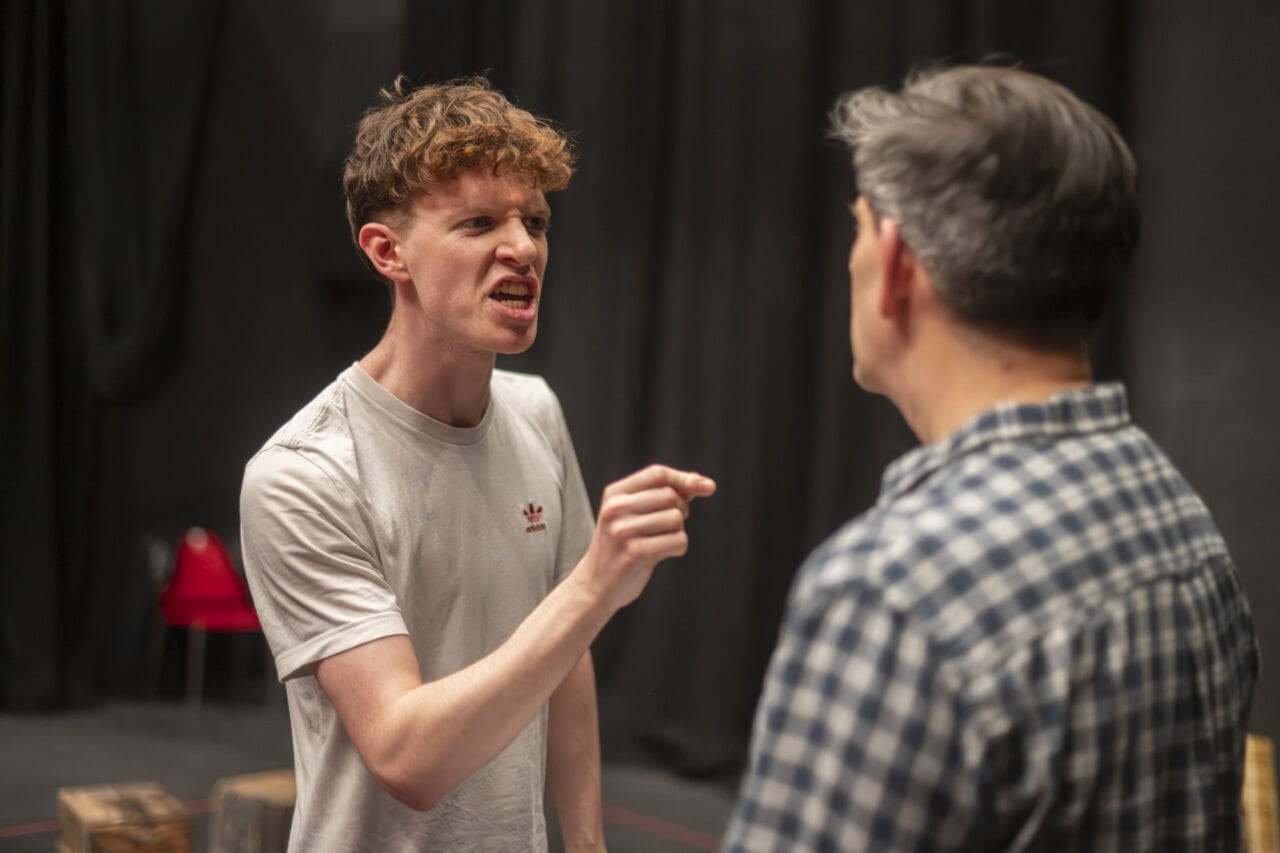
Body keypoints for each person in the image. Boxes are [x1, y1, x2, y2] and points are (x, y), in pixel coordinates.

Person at [725, 65, 1258, 850]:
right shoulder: (1182, 521)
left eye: (859, 225)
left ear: (898, 264)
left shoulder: (889, 594)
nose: (849, 258)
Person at [239, 76, 715, 851]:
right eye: (478, 221)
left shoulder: (535, 412)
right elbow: (406, 756)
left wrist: (587, 842)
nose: (523, 247)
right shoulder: (305, 471)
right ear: (388, 252)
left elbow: (564, 663)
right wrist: (594, 586)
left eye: (535, 220)